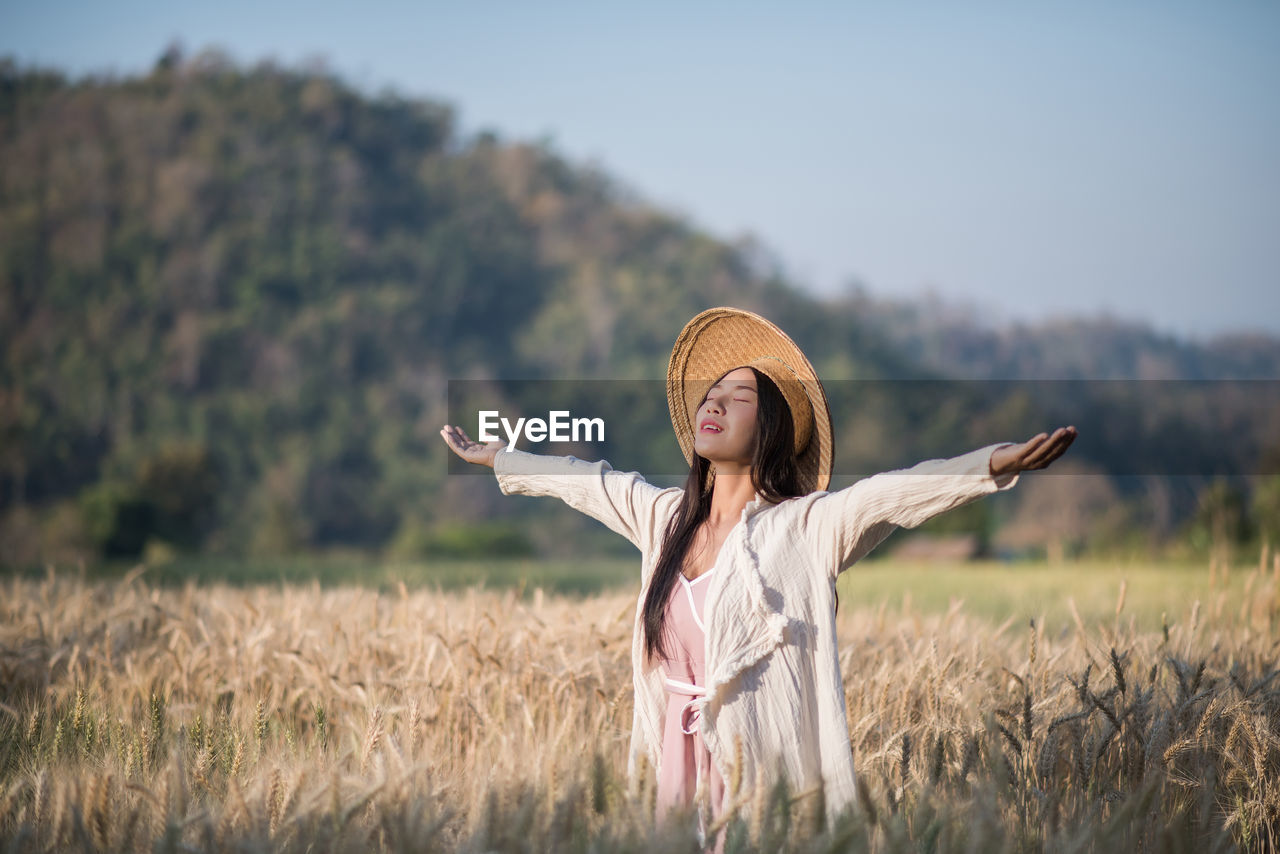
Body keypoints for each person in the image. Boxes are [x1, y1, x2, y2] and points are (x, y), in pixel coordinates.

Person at [440, 306, 1076, 842]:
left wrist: (989, 465)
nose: (713, 403)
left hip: (759, 786)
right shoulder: (663, 519)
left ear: (771, 427)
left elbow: (890, 494)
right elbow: (588, 482)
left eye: (737, 397)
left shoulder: (805, 528)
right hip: (672, 781)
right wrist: (504, 457)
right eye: (711, 395)